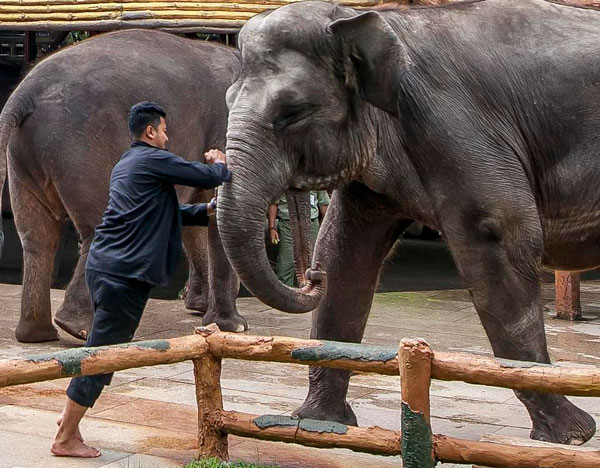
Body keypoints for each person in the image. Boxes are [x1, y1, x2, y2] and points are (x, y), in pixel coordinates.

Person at [51, 101, 231, 458]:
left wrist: (206, 211)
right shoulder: (153, 159)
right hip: (123, 274)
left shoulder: (128, 164)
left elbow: (165, 212)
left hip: (107, 267)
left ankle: (67, 423)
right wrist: (220, 162)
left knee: (103, 352)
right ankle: (65, 436)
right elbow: (208, 177)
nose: (167, 137)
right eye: (165, 131)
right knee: (103, 357)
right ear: (150, 132)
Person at [268, 191, 329, 287]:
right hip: (288, 224)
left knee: (311, 260)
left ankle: (309, 291)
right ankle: (285, 292)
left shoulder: (315, 178)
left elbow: (324, 204)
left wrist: (325, 229)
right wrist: (272, 227)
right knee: (286, 262)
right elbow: (274, 203)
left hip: (311, 224)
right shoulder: (284, 180)